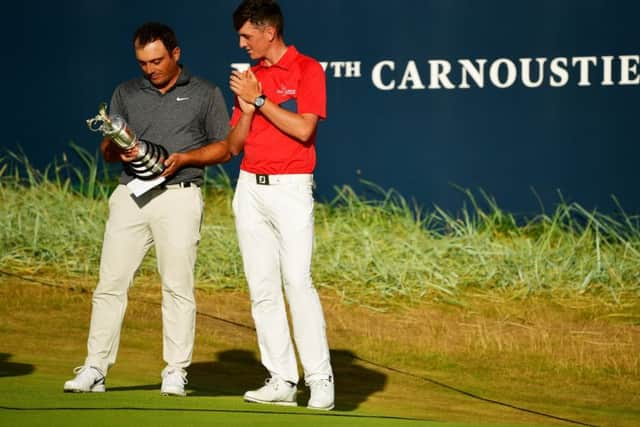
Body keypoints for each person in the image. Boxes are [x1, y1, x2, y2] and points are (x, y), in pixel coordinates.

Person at [63, 22, 231, 396]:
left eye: (157, 61)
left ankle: (175, 370)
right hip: (130, 195)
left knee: (177, 287)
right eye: (142, 63)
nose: (150, 69)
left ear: (176, 54)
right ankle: (95, 368)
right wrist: (115, 145)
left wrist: (186, 156)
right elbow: (107, 153)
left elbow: (224, 147)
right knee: (110, 284)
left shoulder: (205, 93)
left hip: (180, 194)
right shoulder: (126, 92)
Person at [226, 0, 334, 410]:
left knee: (297, 282)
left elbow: (304, 130)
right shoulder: (248, 77)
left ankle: (320, 379)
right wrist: (245, 106)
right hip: (249, 186)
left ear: (269, 31)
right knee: (263, 288)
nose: (241, 44)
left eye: (247, 35)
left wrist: (258, 101)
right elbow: (237, 142)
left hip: (291, 188)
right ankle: (282, 379)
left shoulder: (308, 69)